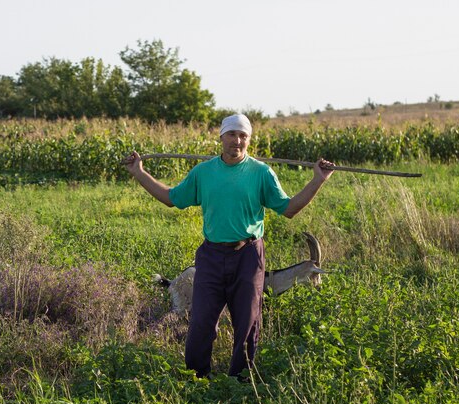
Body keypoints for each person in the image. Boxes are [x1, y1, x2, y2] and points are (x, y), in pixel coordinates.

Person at [123, 114, 336, 381]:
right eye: (232, 134)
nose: (237, 141)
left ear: (249, 139)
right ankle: (197, 378)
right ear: (221, 137)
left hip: (248, 255)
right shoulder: (203, 172)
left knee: (247, 323)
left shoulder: (261, 173)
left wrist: (319, 180)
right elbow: (170, 198)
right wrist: (139, 173)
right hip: (211, 256)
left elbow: (289, 209)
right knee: (200, 322)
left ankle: (240, 381)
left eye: (243, 136)